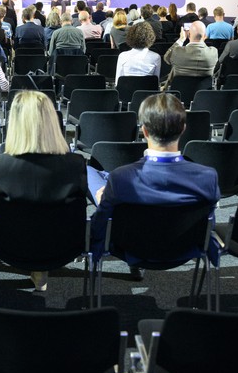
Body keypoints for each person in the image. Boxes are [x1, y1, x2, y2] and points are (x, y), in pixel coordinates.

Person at [90, 93, 220, 272]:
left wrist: (102, 201)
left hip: (130, 248)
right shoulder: (208, 177)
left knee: (91, 173)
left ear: (144, 131)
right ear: (183, 128)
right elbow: (208, 224)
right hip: (184, 249)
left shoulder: (121, 177)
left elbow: (99, 226)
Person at [0, 90, 87, 291]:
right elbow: (81, 209)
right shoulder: (76, 164)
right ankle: (41, 272)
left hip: (9, 247)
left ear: (14, 122)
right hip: (65, 247)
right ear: (51, 121)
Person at [163, 20, 217, 89]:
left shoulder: (177, 52)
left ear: (189, 35)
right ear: (205, 36)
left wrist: (181, 39)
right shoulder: (213, 52)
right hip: (203, 97)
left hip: (178, 95)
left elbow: (166, 58)